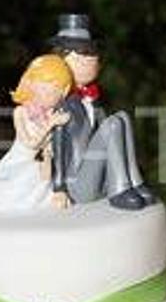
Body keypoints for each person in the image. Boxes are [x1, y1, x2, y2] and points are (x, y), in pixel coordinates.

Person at [48, 13, 156, 211]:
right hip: (78, 185)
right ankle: (119, 190)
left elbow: (105, 140)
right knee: (112, 124)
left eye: (91, 51)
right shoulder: (61, 103)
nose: (93, 58)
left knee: (121, 117)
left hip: (98, 176)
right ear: (63, 61)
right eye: (84, 53)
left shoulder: (91, 99)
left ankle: (133, 181)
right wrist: (59, 187)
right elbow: (58, 146)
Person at [0, 54, 72, 214]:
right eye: (43, 87)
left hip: (41, 165)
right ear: (30, 83)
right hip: (22, 160)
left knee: (36, 198)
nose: (46, 93)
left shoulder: (54, 114)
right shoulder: (21, 112)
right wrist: (51, 124)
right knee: (8, 192)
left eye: (55, 90)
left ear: (63, 93)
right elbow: (31, 143)